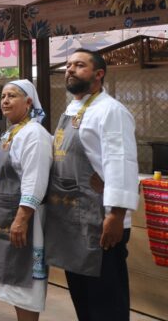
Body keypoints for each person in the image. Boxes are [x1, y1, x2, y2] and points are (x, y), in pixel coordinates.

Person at [45, 49, 139, 321]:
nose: (70, 70)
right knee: (82, 299)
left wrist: (116, 215)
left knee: (106, 303)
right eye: (68, 65)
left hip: (101, 220)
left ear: (99, 74)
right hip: (72, 220)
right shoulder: (71, 110)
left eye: (79, 65)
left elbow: (120, 162)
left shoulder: (111, 111)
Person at [0, 80, 52, 320]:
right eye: (3, 96)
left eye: (12, 96)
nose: (5, 101)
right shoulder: (11, 132)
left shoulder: (34, 134)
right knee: (11, 284)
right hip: (4, 217)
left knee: (24, 287)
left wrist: (22, 219)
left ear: (28, 102)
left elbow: (35, 179)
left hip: (24, 219)